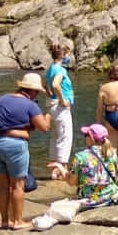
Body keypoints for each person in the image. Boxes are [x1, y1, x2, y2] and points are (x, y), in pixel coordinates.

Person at [0, 72, 51, 230]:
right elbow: (44, 127)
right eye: (37, 92)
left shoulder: (3, 98)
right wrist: (48, 116)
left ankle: (5, 221)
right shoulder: (31, 105)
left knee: (2, 185)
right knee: (17, 186)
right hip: (14, 146)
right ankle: (17, 221)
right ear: (33, 90)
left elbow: (2, 123)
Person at [71, 123, 118, 210]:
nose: (85, 137)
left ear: (92, 138)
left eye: (86, 135)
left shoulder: (80, 157)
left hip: (92, 201)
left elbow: (72, 182)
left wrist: (62, 171)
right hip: (114, 196)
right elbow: (117, 175)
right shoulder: (112, 154)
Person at [45, 42, 75, 181]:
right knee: (65, 136)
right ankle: (62, 169)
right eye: (68, 54)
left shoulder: (50, 68)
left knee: (55, 136)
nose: (69, 57)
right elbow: (56, 84)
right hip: (60, 107)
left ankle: (54, 168)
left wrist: (49, 94)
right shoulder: (61, 70)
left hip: (52, 107)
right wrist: (62, 99)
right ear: (63, 55)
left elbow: (45, 84)